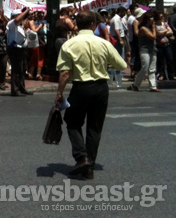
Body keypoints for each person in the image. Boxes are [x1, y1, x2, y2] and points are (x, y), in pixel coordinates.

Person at [56, 10, 126, 180]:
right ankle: (89, 166)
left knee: (72, 122)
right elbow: (122, 65)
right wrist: (105, 64)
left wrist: (59, 93)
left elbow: (65, 73)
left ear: (77, 25)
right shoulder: (103, 43)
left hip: (80, 88)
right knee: (94, 127)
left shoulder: (69, 44)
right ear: (93, 25)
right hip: (101, 88)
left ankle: (82, 157)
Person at [128, 11, 161, 92]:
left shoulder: (151, 27)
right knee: (145, 68)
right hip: (144, 50)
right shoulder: (143, 29)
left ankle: (153, 86)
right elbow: (153, 37)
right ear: (147, 20)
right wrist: (153, 28)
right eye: (151, 19)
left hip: (152, 49)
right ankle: (135, 84)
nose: (152, 21)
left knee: (152, 69)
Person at [7, 8, 33, 96]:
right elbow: (17, 20)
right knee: (16, 69)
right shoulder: (11, 23)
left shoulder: (19, 26)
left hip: (21, 49)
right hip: (14, 49)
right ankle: (15, 89)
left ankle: (22, 87)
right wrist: (26, 11)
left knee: (22, 69)